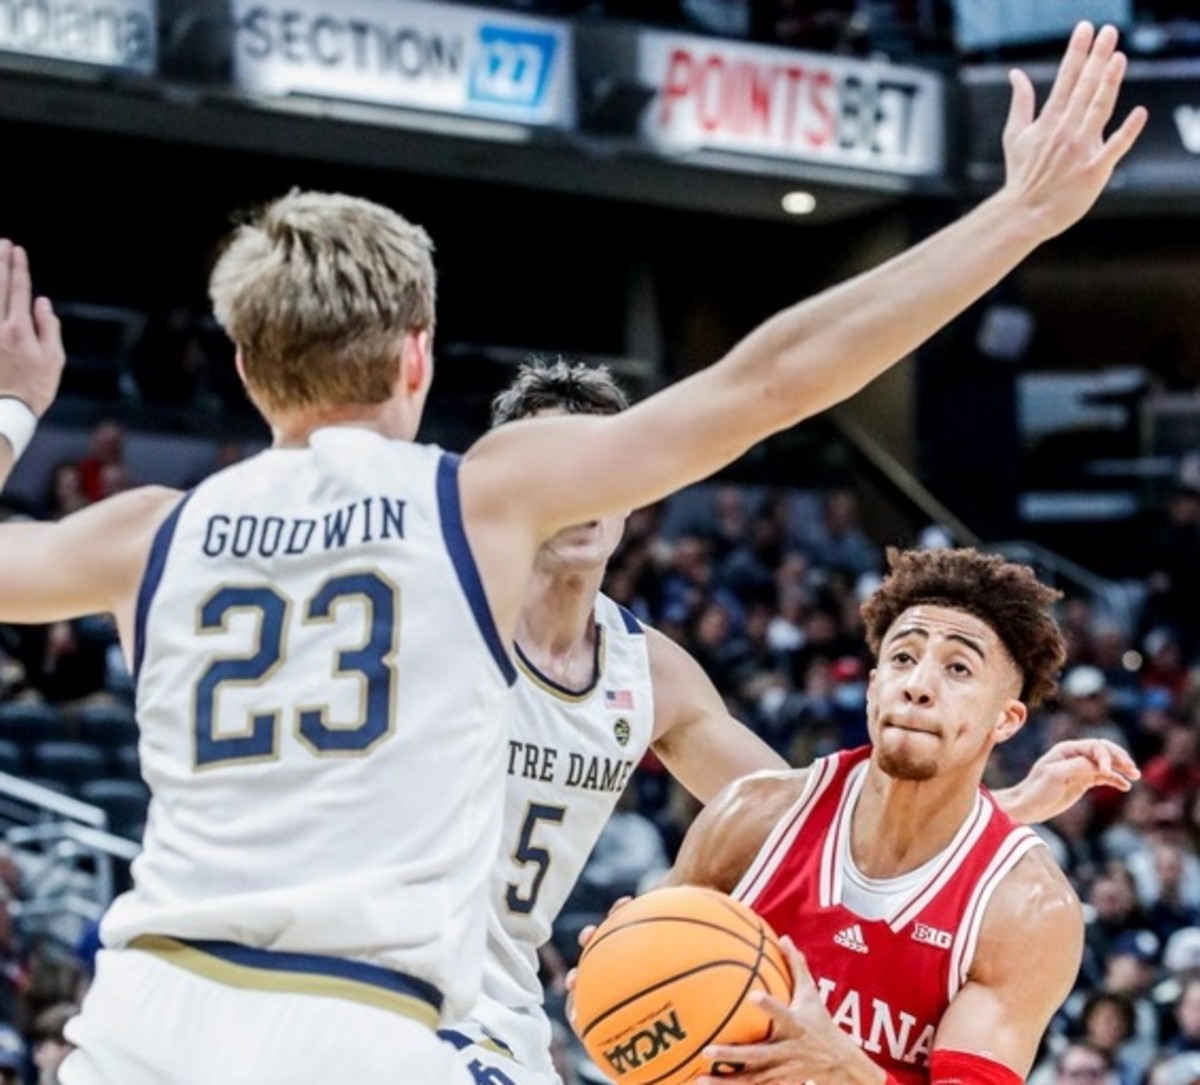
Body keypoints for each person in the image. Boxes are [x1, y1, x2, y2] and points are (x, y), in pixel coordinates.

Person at [0, 18, 1143, 1084]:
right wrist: (1020, 216)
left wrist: (12, 411)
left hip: (143, 1011)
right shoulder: (475, 503)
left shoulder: (148, 530)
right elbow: (770, 381)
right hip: (367, 1018)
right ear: (417, 359)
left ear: (246, 371)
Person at [443, 360, 1138, 1085]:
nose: (579, 490)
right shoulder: (435, 619)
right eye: (554, 465)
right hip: (381, 970)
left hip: (502, 1007)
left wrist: (995, 813)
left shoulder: (649, 674)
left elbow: (816, 821)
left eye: (601, 467)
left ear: (635, 491)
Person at [652, 547, 1114, 1085]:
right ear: (873, 689)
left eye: (958, 668)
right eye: (902, 658)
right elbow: (647, 1015)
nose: (918, 685)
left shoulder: (1025, 909)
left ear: (1006, 720)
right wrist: (618, 973)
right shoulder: (751, 818)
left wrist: (843, 1068)